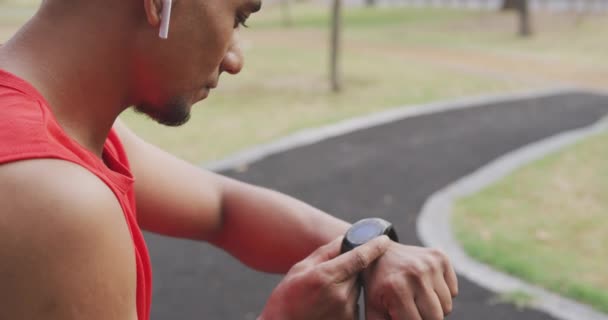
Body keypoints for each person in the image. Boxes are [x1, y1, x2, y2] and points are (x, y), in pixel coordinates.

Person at [0, 0, 458, 319]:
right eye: (238, 14)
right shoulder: (54, 195)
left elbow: (222, 209)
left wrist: (370, 250)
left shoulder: (62, 133)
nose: (236, 58)